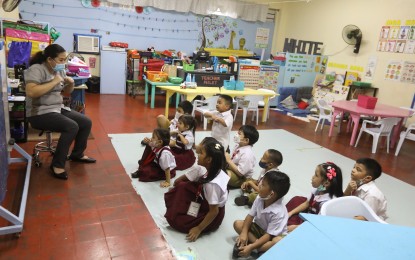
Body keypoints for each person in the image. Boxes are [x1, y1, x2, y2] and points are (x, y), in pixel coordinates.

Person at [24, 44, 95, 180]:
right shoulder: (36, 69)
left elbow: (66, 92)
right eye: (61, 60)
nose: (64, 63)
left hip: (57, 108)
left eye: (65, 59)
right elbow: (31, 91)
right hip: (39, 112)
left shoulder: (59, 70)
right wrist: (55, 81)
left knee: (85, 122)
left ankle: (77, 154)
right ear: (50, 59)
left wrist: (71, 83)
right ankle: (57, 165)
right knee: (71, 126)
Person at [165, 137, 230, 242]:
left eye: (201, 153)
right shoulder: (217, 169)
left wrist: (199, 228)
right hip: (208, 200)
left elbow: (214, 211)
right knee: (183, 187)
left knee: (179, 221)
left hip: (213, 214)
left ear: (209, 160)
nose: (198, 155)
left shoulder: (212, 185)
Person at [233, 171, 291, 258]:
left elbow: (269, 235)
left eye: (263, 184)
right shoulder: (260, 197)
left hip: (272, 235)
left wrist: (251, 247)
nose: (259, 185)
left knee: (277, 242)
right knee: (237, 224)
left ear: (271, 194)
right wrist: (244, 233)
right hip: (259, 228)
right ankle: (260, 249)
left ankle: (254, 246)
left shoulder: (279, 212)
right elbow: (250, 216)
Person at [286, 162, 343, 231]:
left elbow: (317, 223)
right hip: (308, 216)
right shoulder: (319, 189)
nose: (313, 177)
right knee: (297, 199)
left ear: (326, 183)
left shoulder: (326, 203)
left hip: (314, 225)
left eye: (316, 175)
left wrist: (295, 227)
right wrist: (290, 213)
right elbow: (307, 203)